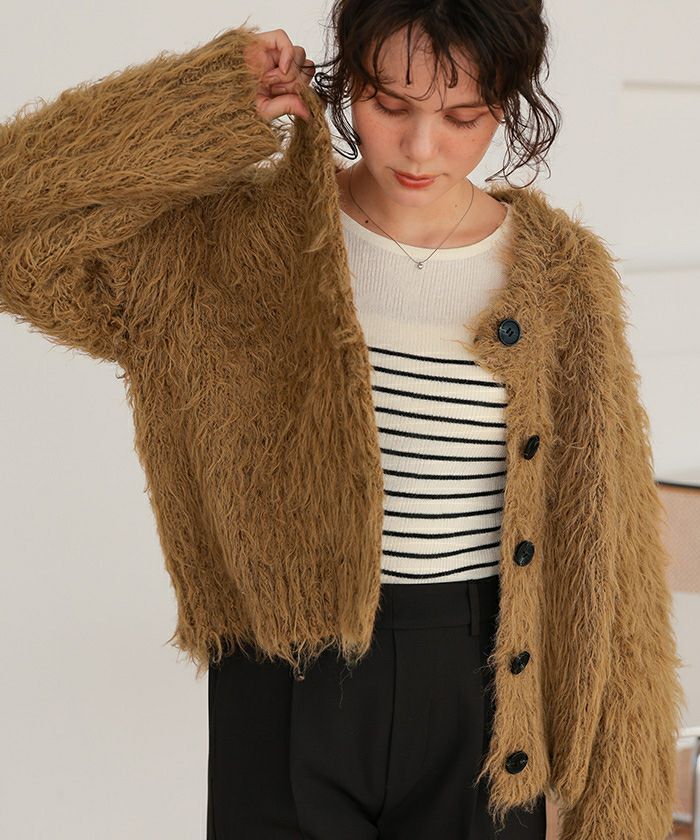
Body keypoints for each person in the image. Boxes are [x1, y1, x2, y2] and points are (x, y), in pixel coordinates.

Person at [0, 3, 684, 840]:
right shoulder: (236, 246)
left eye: (463, 116)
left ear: (508, 104)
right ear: (347, 78)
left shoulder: (562, 277)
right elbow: (13, 227)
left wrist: (621, 813)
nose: (421, 147)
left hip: (484, 685)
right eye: (390, 104)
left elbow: (613, 554)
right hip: (282, 672)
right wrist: (202, 101)